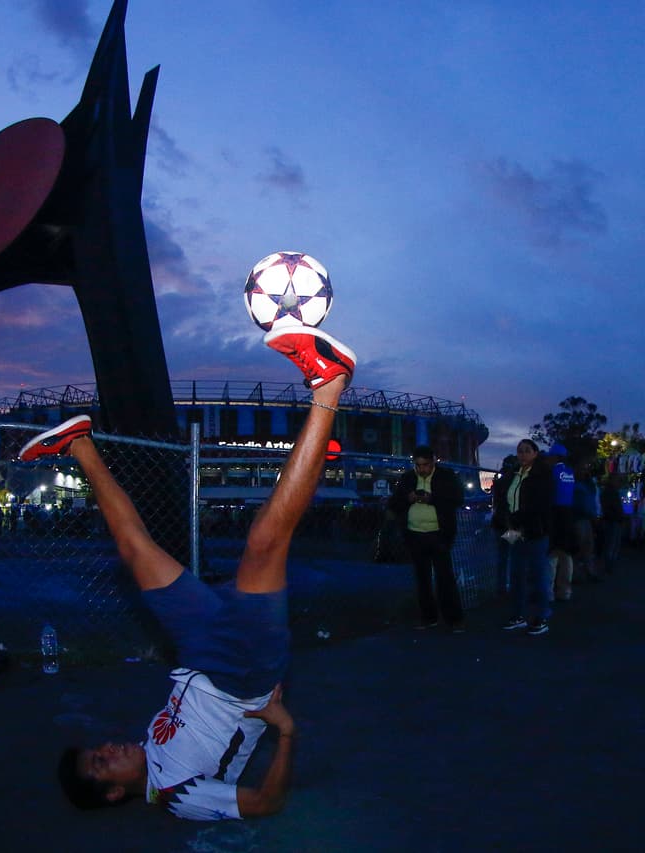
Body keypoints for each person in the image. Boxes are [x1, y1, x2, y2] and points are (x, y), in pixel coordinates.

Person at [49, 324, 356, 821]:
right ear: (113, 793)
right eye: (102, 764)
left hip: (199, 649)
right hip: (242, 670)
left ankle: (79, 444)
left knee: (134, 549)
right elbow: (264, 803)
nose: (107, 748)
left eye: (95, 749)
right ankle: (329, 383)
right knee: (262, 544)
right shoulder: (177, 794)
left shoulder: (152, 748)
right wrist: (286, 730)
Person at [389, 444, 464, 631]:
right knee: (422, 578)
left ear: (434, 462)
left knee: (444, 578)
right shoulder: (407, 478)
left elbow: (457, 499)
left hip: (439, 533)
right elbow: (395, 503)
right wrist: (409, 498)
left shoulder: (446, 476)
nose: (422, 469)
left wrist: (433, 499)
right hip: (414, 533)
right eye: (419, 465)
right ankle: (428, 617)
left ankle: (454, 619)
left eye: (426, 465)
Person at [500, 439, 555, 636]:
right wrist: (509, 520)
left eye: (526, 451)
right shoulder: (515, 474)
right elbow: (508, 499)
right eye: (519, 451)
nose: (522, 454)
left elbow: (539, 505)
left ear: (535, 453)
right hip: (515, 529)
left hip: (534, 531)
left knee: (538, 574)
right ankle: (517, 614)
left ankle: (541, 616)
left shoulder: (542, 475)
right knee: (516, 574)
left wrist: (518, 520)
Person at [544, 444, 576, 602]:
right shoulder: (570, 472)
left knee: (551, 555)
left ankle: (548, 592)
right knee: (566, 555)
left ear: (555, 457)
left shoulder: (552, 472)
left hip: (555, 514)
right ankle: (565, 591)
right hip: (568, 514)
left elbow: (548, 494)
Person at [489, 454, 519, 594]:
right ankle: (512, 585)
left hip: (499, 523)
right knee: (514, 555)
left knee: (502, 556)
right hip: (511, 524)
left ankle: (501, 586)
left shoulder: (499, 483)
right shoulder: (515, 482)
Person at [571, 462, 602, 584]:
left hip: (587, 518)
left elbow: (591, 500)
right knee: (578, 547)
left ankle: (588, 571)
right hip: (578, 518)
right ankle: (576, 573)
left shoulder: (588, 484)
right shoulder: (575, 485)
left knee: (588, 546)